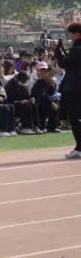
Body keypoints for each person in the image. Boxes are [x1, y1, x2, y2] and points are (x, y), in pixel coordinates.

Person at [54, 24, 81, 158]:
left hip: (75, 87)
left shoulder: (77, 48)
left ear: (77, 33)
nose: (71, 36)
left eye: (72, 33)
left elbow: (66, 64)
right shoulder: (76, 48)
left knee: (74, 118)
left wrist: (58, 53)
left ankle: (79, 147)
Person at [31, 63, 62, 134]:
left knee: (57, 104)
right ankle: (42, 126)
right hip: (38, 101)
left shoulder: (52, 83)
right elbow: (42, 95)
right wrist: (51, 102)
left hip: (48, 100)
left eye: (52, 75)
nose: (50, 76)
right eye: (49, 74)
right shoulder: (39, 82)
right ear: (45, 73)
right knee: (45, 104)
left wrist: (51, 86)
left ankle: (52, 127)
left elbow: (53, 94)